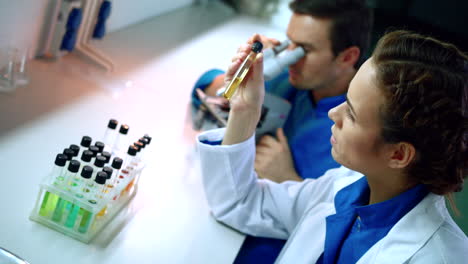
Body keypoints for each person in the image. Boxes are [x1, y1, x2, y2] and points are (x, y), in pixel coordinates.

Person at [197, 30, 468, 263]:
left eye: (351, 113)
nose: (333, 113)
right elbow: (241, 202)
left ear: (398, 154)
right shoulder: (343, 188)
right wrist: (245, 108)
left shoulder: (438, 257)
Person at [192, 0, 373, 182]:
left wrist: (288, 180)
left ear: (347, 57)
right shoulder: (292, 79)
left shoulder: (360, 133)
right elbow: (205, 84)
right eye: (290, 43)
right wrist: (243, 72)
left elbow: (342, 207)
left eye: (304, 49)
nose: (291, 58)